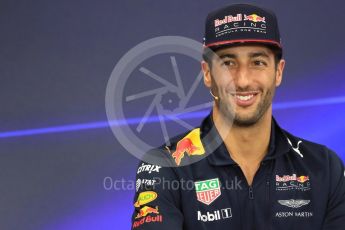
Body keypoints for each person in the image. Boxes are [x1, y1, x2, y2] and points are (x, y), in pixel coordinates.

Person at [131, 3, 345, 230]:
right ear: (207, 74)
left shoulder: (324, 168)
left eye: (258, 62)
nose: (243, 80)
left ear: (278, 72)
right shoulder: (166, 165)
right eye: (228, 63)